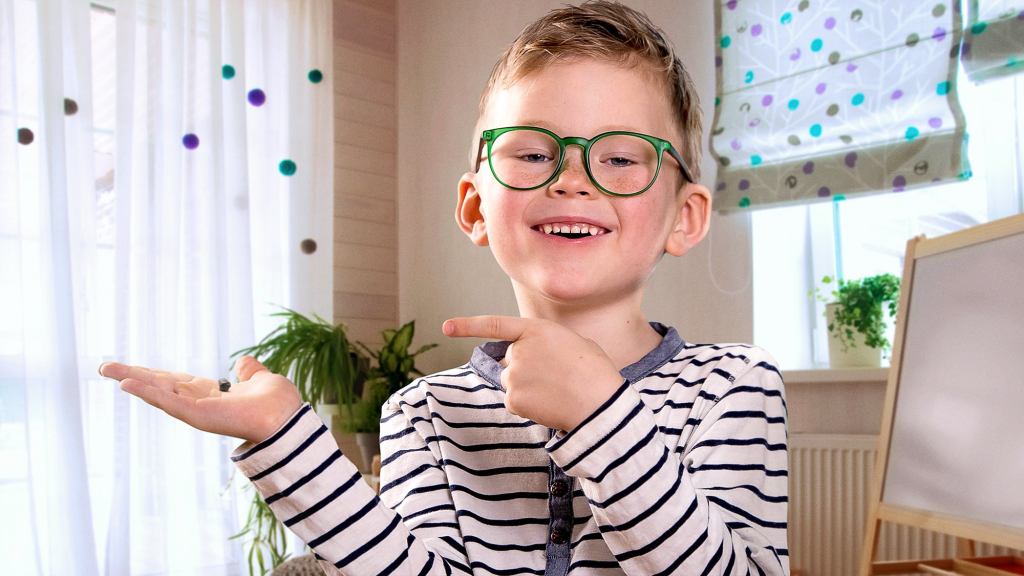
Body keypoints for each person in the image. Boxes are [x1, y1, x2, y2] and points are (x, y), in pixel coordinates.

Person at [99, 1, 789, 574]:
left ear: (685, 216)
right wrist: (285, 438)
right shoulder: (420, 414)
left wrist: (603, 418)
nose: (572, 178)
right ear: (473, 208)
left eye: (619, 156)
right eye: (533, 152)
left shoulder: (736, 387)